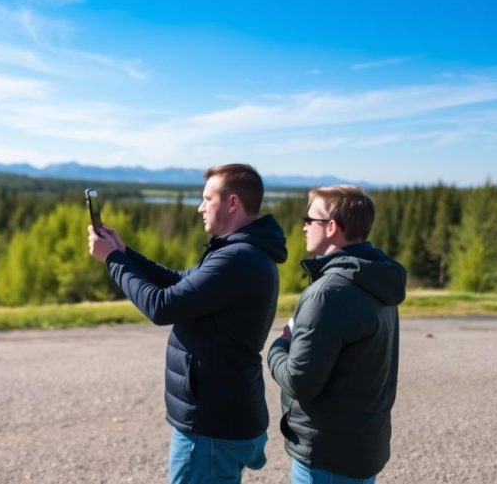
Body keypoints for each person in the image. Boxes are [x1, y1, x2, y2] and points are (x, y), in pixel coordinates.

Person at [88, 163, 287, 484]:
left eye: (207, 198)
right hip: (224, 418)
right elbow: (178, 283)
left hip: (211, 427)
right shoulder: (242, 252)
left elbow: (161, 306)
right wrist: (124, 253)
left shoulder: (237, 258)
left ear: (232, 203)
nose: (200, 207)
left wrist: (112, 261)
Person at [267, 186, 406, 484]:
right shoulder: (377, 279)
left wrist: (278, 348)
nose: (304, 226)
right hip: (360, 450)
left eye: (310, 219)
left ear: (331, 227)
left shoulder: (327, 294)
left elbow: (300, 381)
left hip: (327, 458)